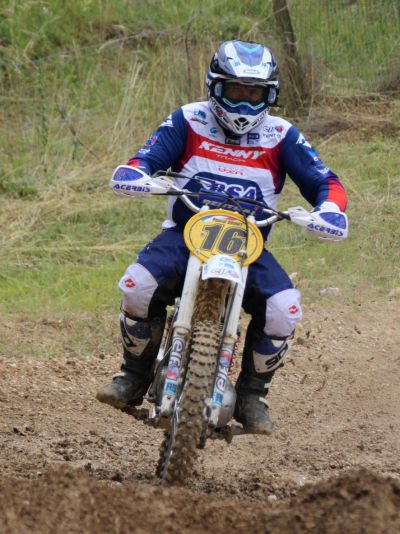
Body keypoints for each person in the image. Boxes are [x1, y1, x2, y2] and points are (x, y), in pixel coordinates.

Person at [96, 40, 348, 434]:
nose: (245, 103)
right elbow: (146, 157)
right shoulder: (189, 119)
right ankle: (133, 377)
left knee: (283, 309)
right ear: (215, 87)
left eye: (255, 94)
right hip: (186, 235)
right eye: (235, 91)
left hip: (248, 244)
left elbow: (325, 181)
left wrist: (329, 209)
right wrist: (136, 173)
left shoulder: (282, 134)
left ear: (270, 96)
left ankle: (251, 396)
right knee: (137, 286)